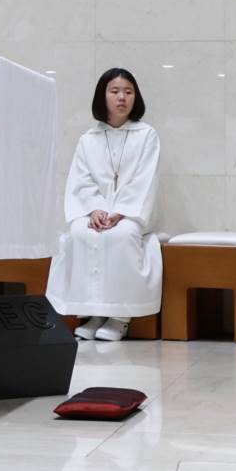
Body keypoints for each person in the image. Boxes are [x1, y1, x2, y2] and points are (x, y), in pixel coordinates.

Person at [46, 68, 161, 341]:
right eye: (115, 91)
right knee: (79, 233)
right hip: (95, 212)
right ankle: (93, 313)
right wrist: (94, 209)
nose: (122, 97)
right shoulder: (89, 139)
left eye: (128, 92)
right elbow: (81, 179)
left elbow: (145, 179)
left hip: (131, 212)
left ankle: (120, 317)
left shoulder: (147, 135)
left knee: (122, 235)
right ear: (103, 96)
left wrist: (120, 212)